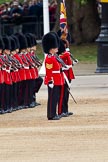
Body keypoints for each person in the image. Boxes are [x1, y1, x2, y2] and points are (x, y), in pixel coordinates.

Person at [42, 32, 68, 120]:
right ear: (50, 49)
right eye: (55, 47)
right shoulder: (49, 58)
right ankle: (51, 115)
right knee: (52, 98)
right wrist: (50, 81)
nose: (57, 47)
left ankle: (54, 113)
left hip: (58, 79)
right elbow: (49, 72)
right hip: (53, 80)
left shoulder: (54, 57)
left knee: (55, 98)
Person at [57, 39, 75, 117]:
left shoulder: (66, 54)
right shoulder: (61, 55)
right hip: (64, 76)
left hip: (69, 75)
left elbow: (69, 64)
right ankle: (61, 111)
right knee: (63, 94)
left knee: (66, 94)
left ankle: (65, 110)